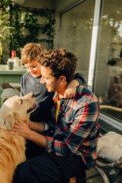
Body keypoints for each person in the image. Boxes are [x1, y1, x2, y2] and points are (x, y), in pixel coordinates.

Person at [13, 48, 100, 183]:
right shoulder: (56, 94)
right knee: (23, 162)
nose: (42, 81)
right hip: (56, 144)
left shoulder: (86, 103)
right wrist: (30, 125)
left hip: (77, 157)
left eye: (46, 78)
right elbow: (52, 127)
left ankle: (75, 178)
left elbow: (67, 148)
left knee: (23, 173)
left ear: (62, 79)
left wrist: (29, 133)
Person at [20, 43, 86, 159]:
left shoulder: (53, 79)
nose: (30, 70)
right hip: (29, 120)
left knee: (33, 156)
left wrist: (73, 84)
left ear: (42, 62)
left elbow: (78, 76)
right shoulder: (25, 78)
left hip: (45, 125)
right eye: (27, 67)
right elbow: (22, 98)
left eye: (34, 66)